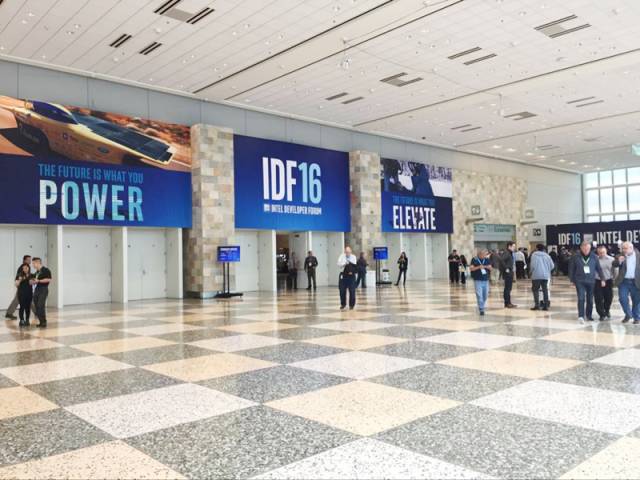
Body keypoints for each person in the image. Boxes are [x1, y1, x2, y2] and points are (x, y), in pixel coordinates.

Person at [568, 241, 603, 323]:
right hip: (579, 281)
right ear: (581, 248)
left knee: (590, 299)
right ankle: (581, 316)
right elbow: (571, 269)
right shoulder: (575, 257)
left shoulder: (594, 257)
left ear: (590, 248)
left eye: (588, 248)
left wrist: (602, 279)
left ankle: (589, 315)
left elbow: (599, 268)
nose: (586, 250)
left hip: (591, 281)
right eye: (584, 248)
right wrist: (572, 280)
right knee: (581, 298)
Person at [613, 241, 640, 323]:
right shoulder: (620, 255)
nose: (624, 250)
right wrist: (619, 261)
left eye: (625, 248)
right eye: (623, 248)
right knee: (622, 299)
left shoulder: (638, 256)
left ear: (631, 248)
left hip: (636, 281)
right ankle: (628, 314)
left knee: (636, 301)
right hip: (623, 282)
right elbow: (614, 264)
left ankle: (637, 317)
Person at [5, 255, 31, 320]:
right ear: (24, 260)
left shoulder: (27, 266)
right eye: (28, 259)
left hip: (26, 288)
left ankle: (9, 313)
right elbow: (18, 278)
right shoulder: (22, 267)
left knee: (22, 299)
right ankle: (9, 313)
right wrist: (19, 286)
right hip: (22, 288)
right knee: (19, 299)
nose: (30, 261)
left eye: (30, 259)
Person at [530, 244, 554, 311]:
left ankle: (537, 305)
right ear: (543, 249)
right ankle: (546, 306)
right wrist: (547, 270)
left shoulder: (534, 255)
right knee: (545, 290)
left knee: (535, 290)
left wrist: (531, 272)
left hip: (536, 275)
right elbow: (552, 266)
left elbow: (532, 265)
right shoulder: (547, 256)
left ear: (537, 248)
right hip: (545, 276)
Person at [595, 245, 615, 321]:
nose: (602, 254)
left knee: (609, 298)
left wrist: (614, 279)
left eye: (603, 252)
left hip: (608, 280)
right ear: (598, 253)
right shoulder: (595, 259)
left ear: (606, 251)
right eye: (600, 253)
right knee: (598, 298)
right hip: (597, 281)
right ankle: (601, 314)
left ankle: (606, 310)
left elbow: (615, 270)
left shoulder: (611, 259)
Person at [469, 249, 492, 315]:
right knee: (479, 295)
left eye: (485, 254)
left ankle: (481, 305)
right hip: (478, 280)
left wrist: (485, 266)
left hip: (486, 280)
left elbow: (490, 268)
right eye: (484, 254)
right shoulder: (474, 259)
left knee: (485, 295)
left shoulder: (487, 259)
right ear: (479, 254)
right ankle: (481, 308)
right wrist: (479, 267)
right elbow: (471, 268)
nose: (485, 256)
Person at [31, 258, 51, 328]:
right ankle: (41, 321)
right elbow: (35, 279)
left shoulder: (46, 270)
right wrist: (33, 281)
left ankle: (43, 322)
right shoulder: (37, 272)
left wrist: (39, 281)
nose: (33, 265)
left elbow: (48, 279)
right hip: (37, 289)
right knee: (36, 305)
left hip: (43, 289)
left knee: (40, 305)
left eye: (33, 263)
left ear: (38, 262)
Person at [498, 242, 517, 308]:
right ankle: (507, 303)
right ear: (509, 246)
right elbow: (501, 260)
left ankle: (508, 302)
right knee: (507, 288)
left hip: (510, 272)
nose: (514, 248)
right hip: (508, 272)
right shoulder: (507, 253)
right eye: (513, 246)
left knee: (509, 288)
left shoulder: (509, 253)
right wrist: (506, 268)